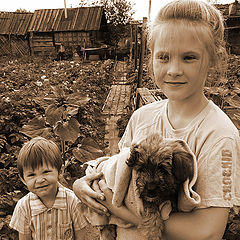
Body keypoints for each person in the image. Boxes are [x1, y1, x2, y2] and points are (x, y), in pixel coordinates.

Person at [73, 0, 240, 239]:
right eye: (163, 57)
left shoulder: (218, 134)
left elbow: (207, 231)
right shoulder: (143, 116)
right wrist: (83, 186)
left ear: (212, 58)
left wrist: (116, 207)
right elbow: (119, 172)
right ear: (152, 58)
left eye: (189, 57)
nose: (173, 69)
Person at [9, 136, 87, 240]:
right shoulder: (24, 207)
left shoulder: (73, 202)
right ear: (23, 179)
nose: (40, 180)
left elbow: (81, 237)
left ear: (60, 172)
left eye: (46, 172)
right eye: (32, 175)